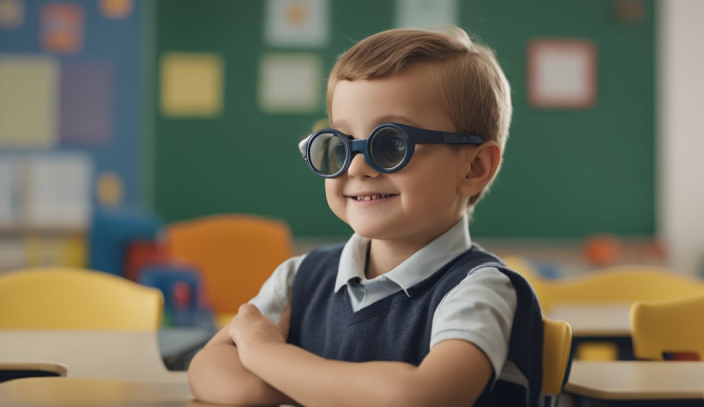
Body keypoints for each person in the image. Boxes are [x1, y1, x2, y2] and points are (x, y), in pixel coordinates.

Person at [188, 26, 544, 407]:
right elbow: (206, 367)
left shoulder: (479, 291)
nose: (356, 168)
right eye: (338, 145)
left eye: (391, 144)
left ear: (474, 167)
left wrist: (264, 356)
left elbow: (420, 397)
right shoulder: (299, 279)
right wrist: (278, 384)